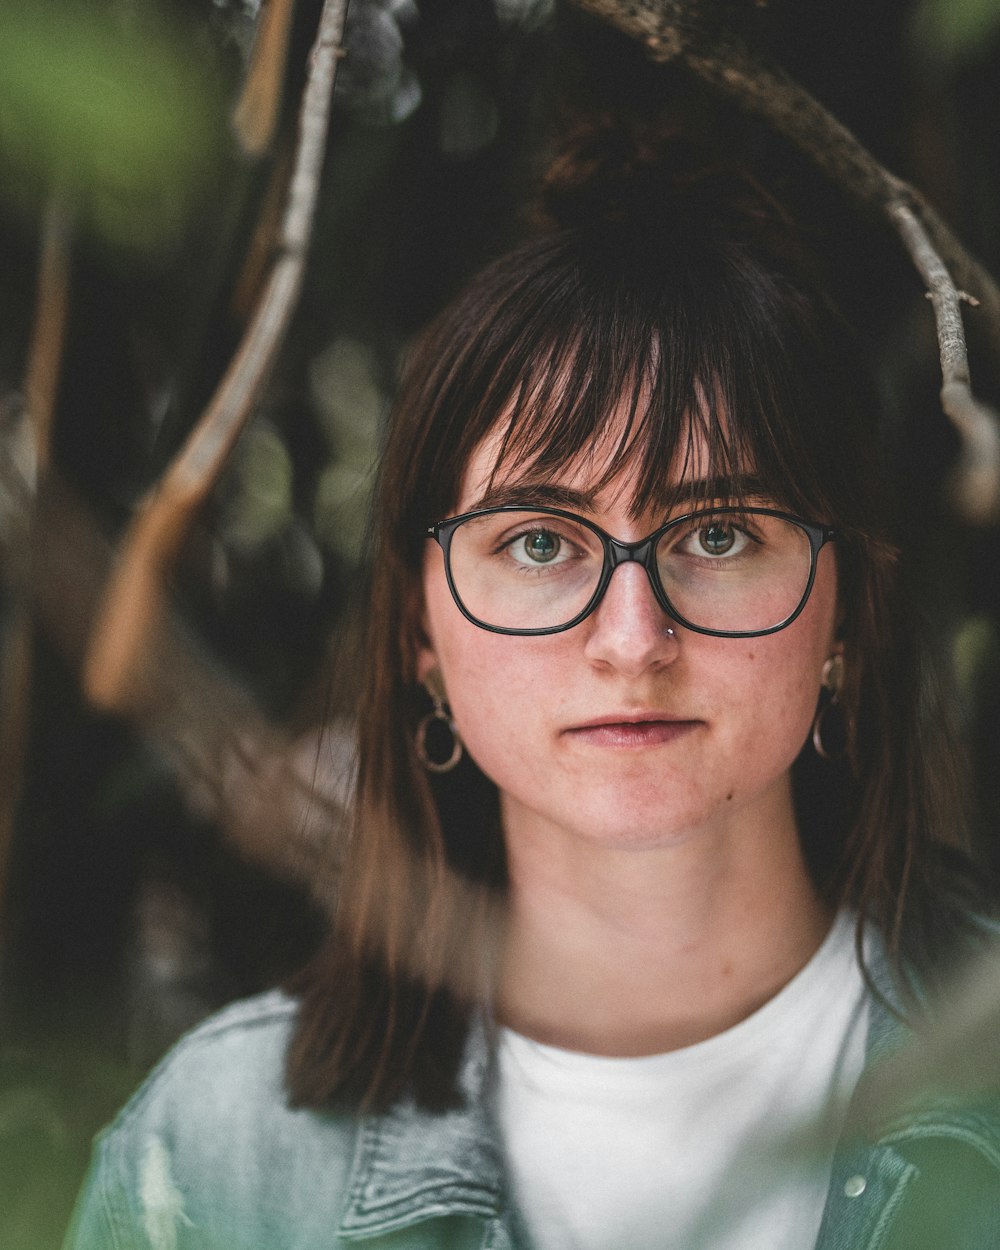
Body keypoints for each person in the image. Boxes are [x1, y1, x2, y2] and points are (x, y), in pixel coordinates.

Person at [64, 142, 1000, 1250]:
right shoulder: (219, 1155)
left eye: (716, 532)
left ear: (847, 611)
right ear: (419, 630)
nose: (631, 639)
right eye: (540, 540)